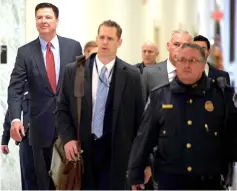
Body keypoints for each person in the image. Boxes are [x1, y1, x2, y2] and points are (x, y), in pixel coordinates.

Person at [127, 43, 237, 190]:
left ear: (203, 64)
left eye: (193, 60)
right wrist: (136, 174)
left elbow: (233, 135)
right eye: (182, 60)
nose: (187, 65)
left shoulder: (220, 96)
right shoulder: (160, 95)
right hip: (170, 182)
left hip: (209, 182)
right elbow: (144, 138)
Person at [56, 20, 145, 190]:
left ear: (119, 42)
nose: (105, 42)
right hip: (82, 151)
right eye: (102, 37)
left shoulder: (132, 75)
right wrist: (68, 139)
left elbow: (140, 121)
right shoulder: (75, 70)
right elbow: (62, 109)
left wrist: (142, 162)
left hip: (117, 154)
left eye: (110, 38)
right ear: (96, 39)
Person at [7, 3, 82, 190]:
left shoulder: (73, 47)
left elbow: (81, 87)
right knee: (43, 183)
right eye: (39, 17)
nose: (43, 21)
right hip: (39, 129)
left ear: (57, 20)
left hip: (69, 129)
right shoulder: (26, 52)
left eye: (48, 17)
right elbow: (15, 88)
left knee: (69, 182)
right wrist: (15, 119)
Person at [1, 82, 37, 190]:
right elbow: (11, 113)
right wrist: (4, 139)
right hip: (28, 142)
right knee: (29, 181)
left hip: (51, 141)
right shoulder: (23, 87)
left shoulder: (53, 83)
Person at [142, 29, 193, 99]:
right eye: (176, 44)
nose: (181, 49)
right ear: (168, 46)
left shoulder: (196, 75)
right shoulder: (149, 73)